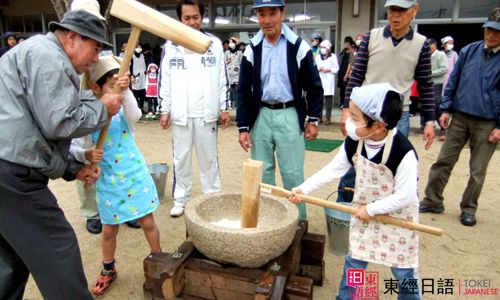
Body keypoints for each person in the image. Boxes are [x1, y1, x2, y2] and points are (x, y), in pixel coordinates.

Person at [0, 9, 122, 300]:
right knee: (57, 245)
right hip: (11, 174)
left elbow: (32, 133)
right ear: (72, 38)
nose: (95, 58)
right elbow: (59, 121)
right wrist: (102, 107)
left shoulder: (38, 52)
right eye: (95, 48)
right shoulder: (49, 57)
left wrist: (72, 167)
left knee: (12, 258)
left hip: (7, 165)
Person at [290, 83, 420, 300]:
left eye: (356, 118)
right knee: (355, 261)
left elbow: (405, 196)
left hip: (397, 218)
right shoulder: (354, 142)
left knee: (403, 269)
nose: (349, 123)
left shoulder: (403, 152)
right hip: (364, 214)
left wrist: (372, 209)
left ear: (378, 126)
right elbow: (333, 170)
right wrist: (304, 189)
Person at [337, 0, 436, 203]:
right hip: (365, 114)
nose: (396, 15)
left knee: (390, 166)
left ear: (414, 10)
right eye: (392, 10)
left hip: (398, 115)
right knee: (354, 162)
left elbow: (426, 85)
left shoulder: (422, 44)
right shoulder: (371, 38)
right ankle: (344, 207)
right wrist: (347, 109)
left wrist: (429, 121)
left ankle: (380, 209)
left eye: (402, 10)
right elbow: (356, 76)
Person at [79, 56, 162, 295]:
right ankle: (108, 269)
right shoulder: (86, 114)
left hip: (134, 174)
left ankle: (158, 260)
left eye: (120, 83)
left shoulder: (123, 108)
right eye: (111, 85)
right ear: (95, 87)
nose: (117, 90)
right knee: (109, 230)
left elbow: (135, 116)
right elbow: (76, 146)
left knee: (147, 222)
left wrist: (125, 93)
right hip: (109, 180)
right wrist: (87, 153)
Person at [236, 0, 323, 220]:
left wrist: (313, 119)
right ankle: (269, 221)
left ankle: (298, 222)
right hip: (261, 115)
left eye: (271, 13)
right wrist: (243, 126)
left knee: (292, 173)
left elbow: (314, 86)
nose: (266, 20)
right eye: (261, 14)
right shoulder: (252, 49)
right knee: (263, 174)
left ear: (282, 13)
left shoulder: (297, 46)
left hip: (289, 113)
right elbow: (244, 90)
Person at [419, 7, 500, 227]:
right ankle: (433, 200)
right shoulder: (469, 51)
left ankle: (469, 208)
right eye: (489, 29)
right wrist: (445, 109)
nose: (491, 34)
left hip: (487, 121)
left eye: (497, 31)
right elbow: (453, 80)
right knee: (443, 160)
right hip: (460, 117)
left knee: (477, 170)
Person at [159, 0, 230, 217]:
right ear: (180, 19)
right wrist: (165, 109)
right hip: (181, 113)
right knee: (181, 158)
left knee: (209, 158)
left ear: (202, 17)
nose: (192, 22)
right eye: (187, 18)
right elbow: (166, 80)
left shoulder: (214, 44)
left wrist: (223, 107)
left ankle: (212, 197)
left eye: (196, 17)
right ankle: (181, 199)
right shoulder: (170, 46)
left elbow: (222, 79)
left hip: (206, 113)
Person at [427, 38, 448, 138]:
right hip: (427, 83)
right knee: (429, 106)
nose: (427, 47)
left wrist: (431, 73)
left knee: (436, 105)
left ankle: (444, 128)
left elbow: (444, 69)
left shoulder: (440, 55)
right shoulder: (427, 55)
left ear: (434, 45)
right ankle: (430, 127)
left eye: (429, 45)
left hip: (437, 84)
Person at [315, 39, 339, 125]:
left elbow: (336, 69)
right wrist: (320, 69)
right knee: (319, 100)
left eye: (324, 47)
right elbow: (315, 68)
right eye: (321, 47)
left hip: (329, 81)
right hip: (320, 80)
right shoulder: (318, 57)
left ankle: (327, 118)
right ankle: (319, 117)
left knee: (328, 102)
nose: (322, 49)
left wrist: (328, 69)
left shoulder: (333, 57)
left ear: (328, 49)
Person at [337, 36, 355, 108]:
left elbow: (350, 64)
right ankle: (341, 103)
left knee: (347, 89)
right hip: (341, 71)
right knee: (342, 89)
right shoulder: (344, 51)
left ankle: (346, 104)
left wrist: (346, 74)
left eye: (346, 43)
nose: (345, 44)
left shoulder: (353, 51)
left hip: (347, 72)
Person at [225, 36, 243, 109]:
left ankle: (237, 105)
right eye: (230, 42)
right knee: (230, 91)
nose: (231, 44)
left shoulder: (239, 53)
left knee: (237, 91)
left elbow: (241, 63)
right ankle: (230, 105)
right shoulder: (227, 53)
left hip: (237, 75)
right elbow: (224, 63)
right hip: (229, 75)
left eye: (232, 42)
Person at [131, 42, 147, 114]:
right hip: (135, 76)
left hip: (143, 77)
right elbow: (130, 67)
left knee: (142, 93)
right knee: (135, 93)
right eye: (138, 47)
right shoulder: (132, 56)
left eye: (140, 47)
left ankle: (141, 107)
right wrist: (131, 75)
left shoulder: (143, 55)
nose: (139, 49)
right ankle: (135, 109)